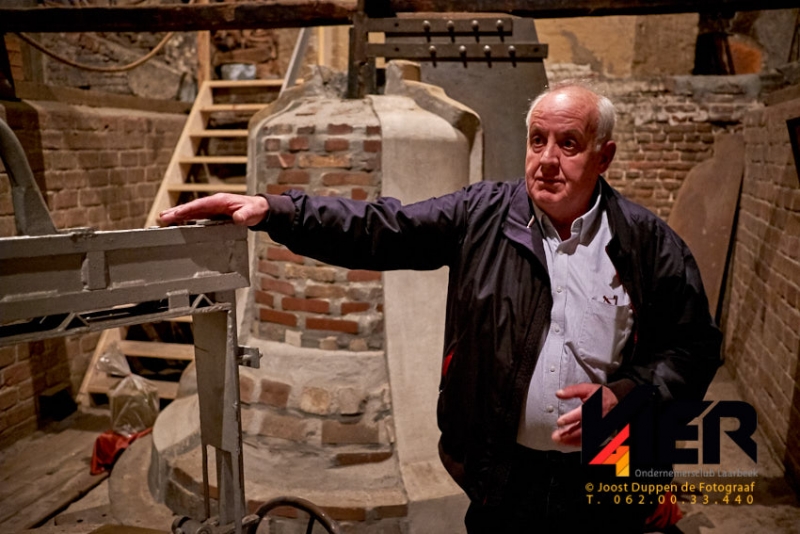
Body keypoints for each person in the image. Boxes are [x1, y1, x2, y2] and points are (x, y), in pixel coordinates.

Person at [160, 82, 721, 533]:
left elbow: (693, 349)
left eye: (568, 144)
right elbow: (381, 228)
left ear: (604, 156)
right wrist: (274, 210)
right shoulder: (483, 214)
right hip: (503, 477)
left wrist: (627, 395)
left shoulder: (647, 244)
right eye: (537, 140)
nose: (547, 160)